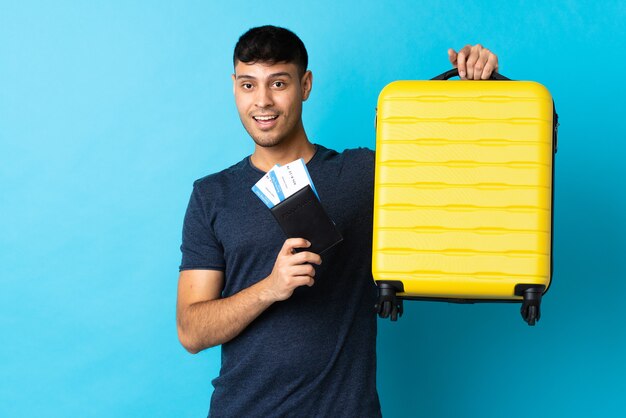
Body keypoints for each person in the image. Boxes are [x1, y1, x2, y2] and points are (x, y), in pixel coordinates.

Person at [176, 25, 499, 417]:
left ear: (305, 84)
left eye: (278, 83)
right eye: (248, 85)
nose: (263, 101)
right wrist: (269, 288)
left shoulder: (363, 175)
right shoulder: (212, 195)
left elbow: (468, 178)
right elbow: (191, 331)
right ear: (234, 87)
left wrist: (479, 87)